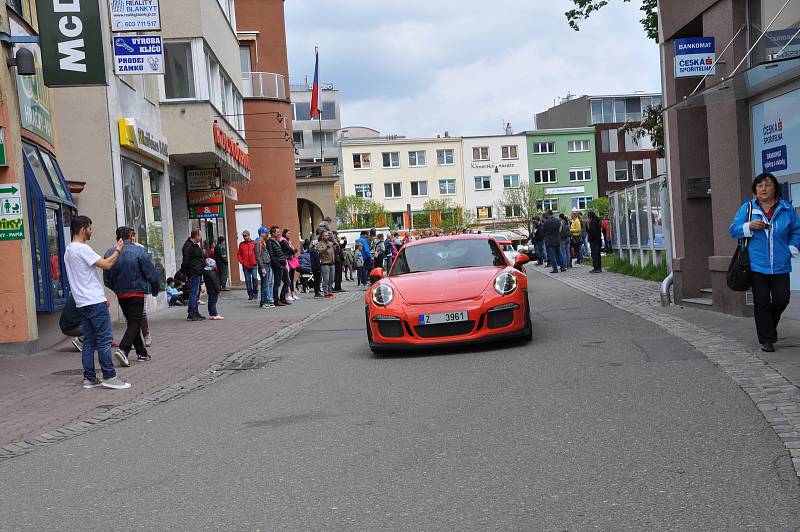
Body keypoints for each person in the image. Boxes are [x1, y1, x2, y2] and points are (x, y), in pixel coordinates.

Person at [729, 172, 800, 352]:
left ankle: (769, 329)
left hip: (780, 263)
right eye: (760, 185)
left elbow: (796, 231)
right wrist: (749, 226)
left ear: (774, 187)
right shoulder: (748, 209)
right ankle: (766, 340)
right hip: (756, 264)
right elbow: (733, 229)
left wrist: (791, 249)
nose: (763, 188)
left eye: (767, 185)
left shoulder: (786, 208)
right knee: (761, 302)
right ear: (755, 189)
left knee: (781, 300)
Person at [63, 215, 131, 390]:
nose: (92, 232)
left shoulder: (68, 250)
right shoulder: (82, 249)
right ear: (83, 228)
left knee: (90, 341)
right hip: (94, 301)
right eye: (90, 229)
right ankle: (109, 376)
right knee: (104, 339)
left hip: (82, 303)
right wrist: (118, 250)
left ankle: (90, 378)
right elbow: (106, 264)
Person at [104, 225, 160, 364]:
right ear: (129, 236)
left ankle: (141, 352)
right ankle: (123, 350)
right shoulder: (139, 251)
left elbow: (107, 278)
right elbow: (151, 273)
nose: (134, 238)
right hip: (136, 292)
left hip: (121, 293)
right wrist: (155, 288)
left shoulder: (110, 252)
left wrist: (116, 288)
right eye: (133, 235)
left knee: (132, 322)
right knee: (135, 322)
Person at [181, 229, 205, 321]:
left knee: (196, 293)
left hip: (197, 271)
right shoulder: (188, 246)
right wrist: (186, 272)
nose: (201, 237)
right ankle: (192, 313)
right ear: (196, 236)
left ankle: (195, 312)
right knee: (194, 293)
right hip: (193, 272)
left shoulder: (194, 246)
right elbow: (186, 261)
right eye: (200, 235)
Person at [267, 225, 291, 305]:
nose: (279, 233)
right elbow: (271, 255)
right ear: (273, 233)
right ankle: (276, 300)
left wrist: (284, 257)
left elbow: (281, 252)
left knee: (287, 281)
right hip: (277, 265)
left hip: (282, 264)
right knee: (277, 283)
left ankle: (282, 298)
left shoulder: (277, 241)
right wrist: (278, 265)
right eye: (277, 232)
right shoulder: (270, 242)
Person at [255, 226, 275, 308]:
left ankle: (264, 301)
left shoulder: (263, 241)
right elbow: (258, 256)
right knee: (265, 284)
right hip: (264, 265)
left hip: (267, 264)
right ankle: (265, 302)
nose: (267, 234)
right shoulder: (258, 242)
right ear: (262, 233)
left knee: (267, 283)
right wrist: (262, 267)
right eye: (265, 232)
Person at [237, 230, 258, 300]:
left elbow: (258, 253)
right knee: (247, 280)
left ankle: (255, 292)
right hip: (245, 266)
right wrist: (242, 262)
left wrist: (257, 261)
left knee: (255, 279)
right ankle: (250, 294)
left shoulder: (254, 243)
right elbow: (239, 254)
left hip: (254, 265)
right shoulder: (241, 244)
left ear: (249, 235)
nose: (244, 237)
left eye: (245, 236)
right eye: (243, 236)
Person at [281, 228, 300, 300]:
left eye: (290, 233)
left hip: (291, 261)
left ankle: (293, 293)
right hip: (286, 261)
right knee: (287, 278)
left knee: (291, 278)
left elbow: (293, 250)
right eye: (288, 233)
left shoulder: (288, 241)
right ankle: (287, 294)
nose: (289, 235)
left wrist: (293, 250)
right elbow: (291, 250)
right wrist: (293, 250)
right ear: (284, 233)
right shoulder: (283, 241)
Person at [316, 230, 336, 298]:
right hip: (325, 263)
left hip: (332, 263)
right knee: (326, 279)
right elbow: (320, 251)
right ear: (322, 236)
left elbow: (333, 251)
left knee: (332, 279)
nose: (327, 236)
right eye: (325, 235)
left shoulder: (330, 242)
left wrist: (336, 245)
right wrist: (327, 247)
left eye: (328, 235)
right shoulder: (319, 243)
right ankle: (326, 293)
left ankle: (330, 292)